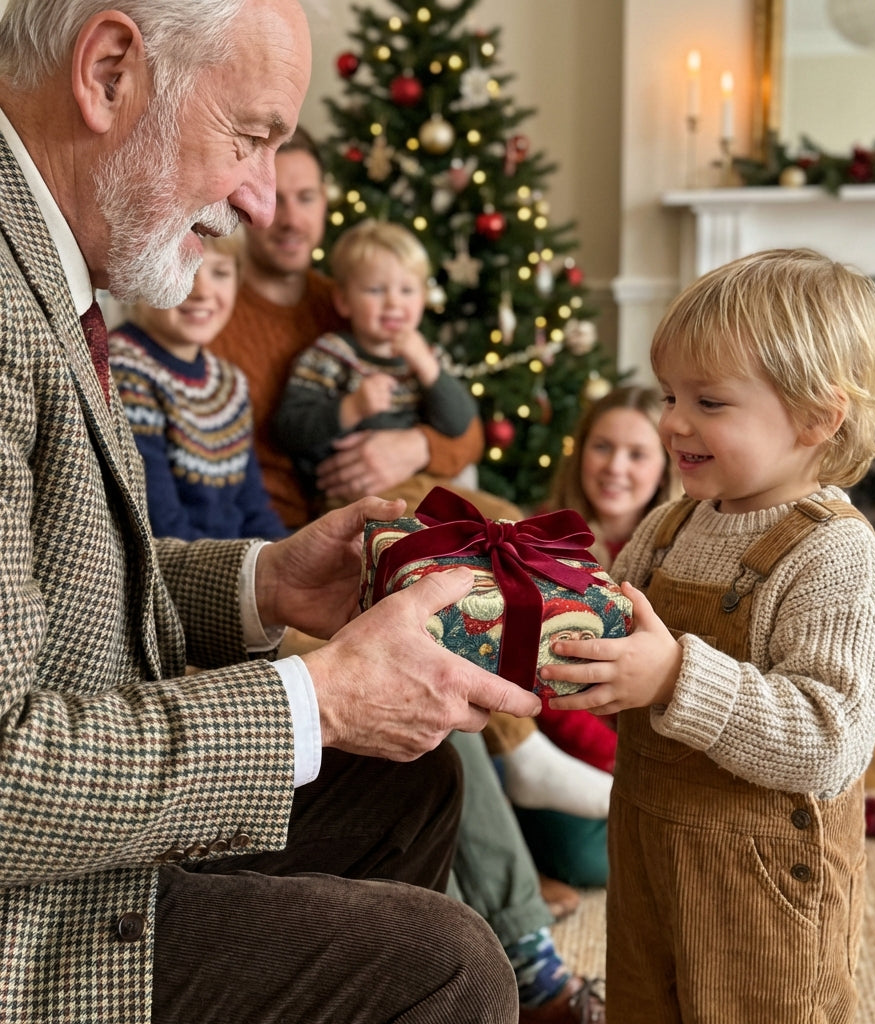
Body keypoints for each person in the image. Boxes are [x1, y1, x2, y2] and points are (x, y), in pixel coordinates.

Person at [0, 3, 542, 1022]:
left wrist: (267, 581)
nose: (259, 199)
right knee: (449, 968)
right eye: (249, 138)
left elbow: (45, 574)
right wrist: (318, 700)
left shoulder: (50, 261)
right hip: (29, 926)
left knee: (410, 787)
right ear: (109, 70)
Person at [211, 127, 603, 1023]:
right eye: (264, 182)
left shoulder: (341, 297)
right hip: (300, 535)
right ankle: (518, 823)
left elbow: (460, 432)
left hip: (372, 516)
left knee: (502, 536)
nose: (281, 207)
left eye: (305, 192)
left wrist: (410, 438)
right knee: (432, 627)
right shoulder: (208, 293)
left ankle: (556, 733)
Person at [543, 248, 875, 1022]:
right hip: (648, 845)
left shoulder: (834, 556)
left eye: (708, 402)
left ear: (818, 416)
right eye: (673, 395)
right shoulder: (671, 525)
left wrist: (678, 678)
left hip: (765, 887)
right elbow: (616, 634)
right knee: (643, 1003)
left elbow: (829, 738)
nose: (673, 421)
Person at [210, 126, 489, 529]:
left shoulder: (360, 302)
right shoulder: (211, 313)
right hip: (279, 537)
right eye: (273, 196)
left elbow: (469, 435)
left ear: (324, 201)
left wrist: (416, 447)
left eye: (306, 198)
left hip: (392, 501)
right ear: (245, 203)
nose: (291, 220)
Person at [508, 385, 681, 888]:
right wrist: (612, 766)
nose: (615, 468)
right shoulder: (538, 540)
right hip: (567, 749)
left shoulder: (680, 559)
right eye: (602, 447)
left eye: (637, 453)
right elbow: (540, 681)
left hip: (648, 754)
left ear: (665, 466)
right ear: (580, 450)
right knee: (593, 861)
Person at [273, 218, 477, 510]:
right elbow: (289, 430)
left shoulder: (424, 355)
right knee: (445, 532)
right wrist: (350, 408)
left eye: (407, 290)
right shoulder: (330, 355)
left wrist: (427, 367)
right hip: (354, 494)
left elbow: (459, 423)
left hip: (421, 483)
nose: (393, 303)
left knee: (506, 518)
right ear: (343, 300)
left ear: (422, 299)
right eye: (376, 291)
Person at [109, 228, 288, 541]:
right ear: (140, 273)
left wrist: (286, 558)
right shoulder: (125, 372)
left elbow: (253, 508)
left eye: (220, 272)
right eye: (182, 266)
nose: (202, 290)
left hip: (239, 562)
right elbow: (160, 524)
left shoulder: (229, 385)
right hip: (184, 574)